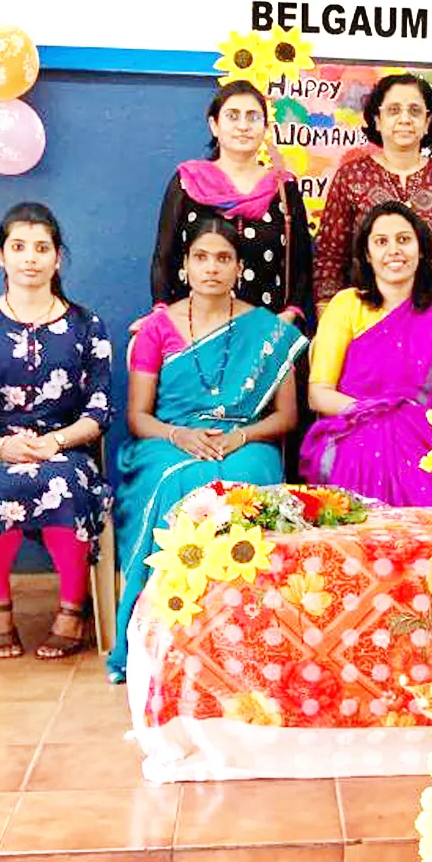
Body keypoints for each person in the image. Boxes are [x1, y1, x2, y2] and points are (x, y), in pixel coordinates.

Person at [110, 215, 306, 681]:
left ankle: (248, 634)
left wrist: (240, 436)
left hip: (245, 439)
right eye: (201, 257)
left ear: (239, 268)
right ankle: (167, 636)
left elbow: (286, 417)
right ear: (185, 266)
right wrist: (179, 436)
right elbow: (138, 417)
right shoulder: (157, 329)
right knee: (181, 483)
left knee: (245, 481)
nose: (211, 268)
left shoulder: (268, 331)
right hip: (168, 440)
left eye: (223, 258)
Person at [0, 202, 113, 659]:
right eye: (18, 247)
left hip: (65, 448)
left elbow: (99, 410)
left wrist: (55, 441)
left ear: (58, 257)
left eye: (41, 248)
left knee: (65, 482)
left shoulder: (87, 327)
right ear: (1, 256)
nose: (30, 258)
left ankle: (73, 607)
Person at [301, 202, 432, 506]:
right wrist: (376, 414)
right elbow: (318, 394)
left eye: (404, 239)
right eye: (381, 241)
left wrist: (429, 422)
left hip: (423, 432)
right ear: (366, 254)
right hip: (353, 430)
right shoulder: (346, 305)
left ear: (421, 249)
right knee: (371, 448)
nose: (394, 250)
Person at [311, 72, 432, 328]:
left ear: (427, 122)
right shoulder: (351, 177)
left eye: (415, 111)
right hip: (366, 322)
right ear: (377, 120)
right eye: (393, 110)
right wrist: (329, 332)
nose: (405, 119)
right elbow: (330, 260)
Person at [150, 79, 313, 321]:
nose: (243, 126)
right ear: (214, 125)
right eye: (232, 116)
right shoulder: (187, 182)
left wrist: (290, 314)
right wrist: (163, 314)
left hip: (265, 329)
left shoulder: (283, 189)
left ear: (266, 128)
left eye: (253, 117)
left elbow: (301, 264)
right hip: (194, 329)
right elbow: (164, 257)